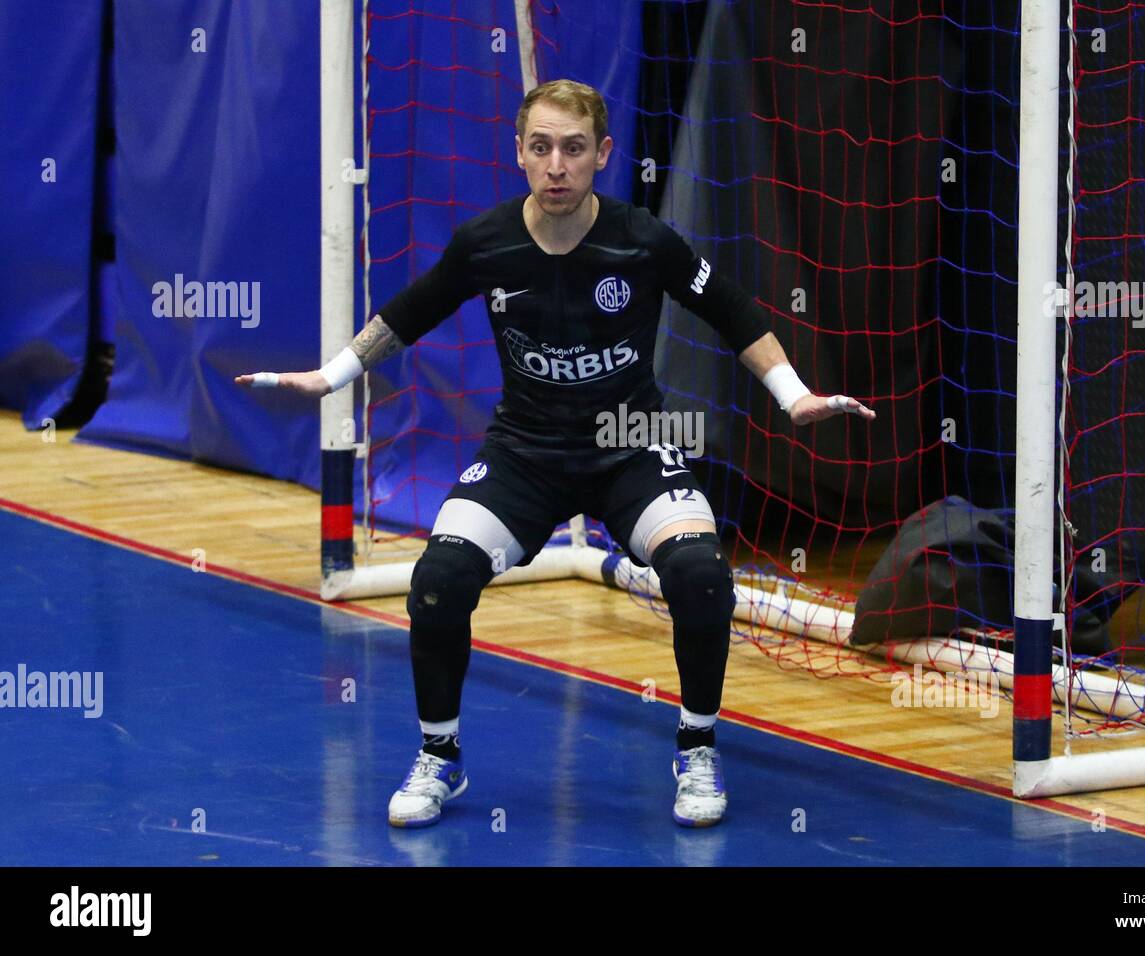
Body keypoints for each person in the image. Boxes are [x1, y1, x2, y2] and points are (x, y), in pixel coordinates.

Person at [237, 79, 873, 829]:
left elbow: (732, 311)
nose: (556, 165)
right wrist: (331, 375)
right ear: (518, 153)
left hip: (629, 443)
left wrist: (793, 394)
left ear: (602, 154)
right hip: (527, 451)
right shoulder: (487, 243)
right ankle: (441, 758)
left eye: (574, 148)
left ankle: (697, 748)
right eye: (540, 147)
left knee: (700, 576)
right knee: (438, 579)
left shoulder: (643, 239)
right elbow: (407, 315)